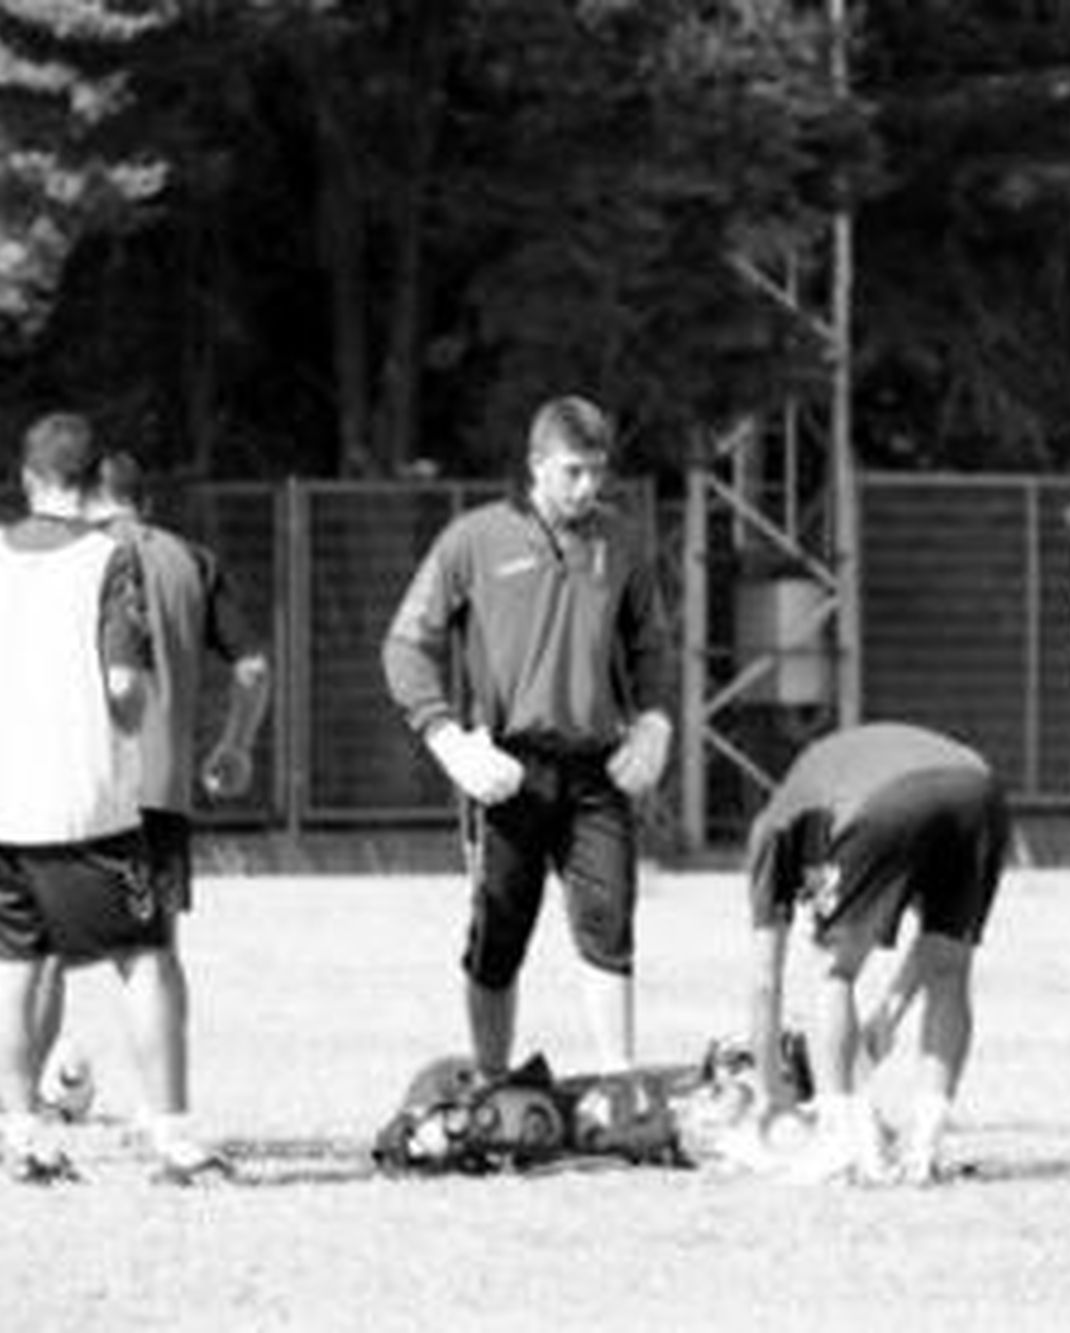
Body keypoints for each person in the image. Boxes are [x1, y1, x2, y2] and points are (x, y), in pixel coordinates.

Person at [0, 413, 220, 1184]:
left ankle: (22, 1131)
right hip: (86, 800)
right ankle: (171, 1135)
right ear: (97, 480)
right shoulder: (109, 560)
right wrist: (130, 724)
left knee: (13, 965)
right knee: (146, 957)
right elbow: (126, 684)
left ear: (27, 478)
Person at [381, 396, 673, 1079]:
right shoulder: (473, 539)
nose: (588, 487)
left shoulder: (623, 541)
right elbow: (403, 646)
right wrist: (446, 737)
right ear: (536, 464)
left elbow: (651, 644)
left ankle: (617, 1082)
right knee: (498, 933)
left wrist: (655, 720)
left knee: (610, 923)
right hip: (505, 770)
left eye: (598, 472)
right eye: (573, 471)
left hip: (597, 769)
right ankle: (491, 1081)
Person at [37, 451, 270, 1133]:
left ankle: (27, 1107)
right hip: (164, 786)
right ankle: (161, 1107)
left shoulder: (73, 557)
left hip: (83, 780)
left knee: (41, 947)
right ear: (144, 501)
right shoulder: (191, 560)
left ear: (86, 498)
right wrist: (235, 744)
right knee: (153, 952)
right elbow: (253, 668)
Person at [739, 722, 1011, 1186]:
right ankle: (924, 1145)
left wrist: (771, 1098)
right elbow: (934, 950)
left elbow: (765, 982)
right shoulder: (822, 784)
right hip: (979, 789)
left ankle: (840, 1139)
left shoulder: (772, 830)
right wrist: (888, 1014)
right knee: (952, 969)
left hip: (887, 798)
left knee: (834, 971)